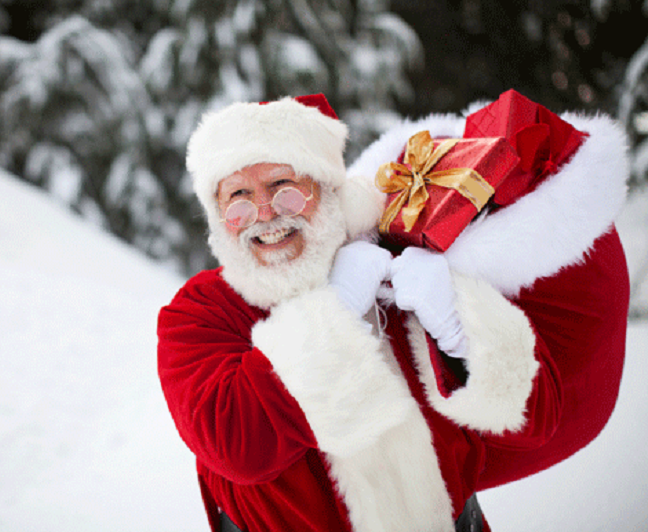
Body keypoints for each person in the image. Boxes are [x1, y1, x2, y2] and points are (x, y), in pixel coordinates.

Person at [157, 93, 627, 532]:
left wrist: (458, 330)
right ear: (217, 215)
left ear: (325, 190)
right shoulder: (200, 312)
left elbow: (532, 417)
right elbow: (237, 441)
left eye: (283, 186)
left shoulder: (398, 257)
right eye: (237, 197)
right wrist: (336, 308)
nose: (264, 212)